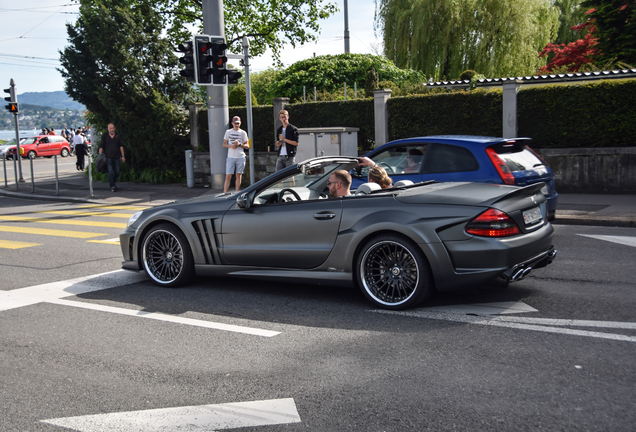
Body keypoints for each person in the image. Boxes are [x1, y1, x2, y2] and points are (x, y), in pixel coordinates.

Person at [222, 116, 249, 193]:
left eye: (238, 123)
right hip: (231, 157)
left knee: (238, 175)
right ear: (232, 123)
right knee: (228, 176)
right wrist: (231, 146)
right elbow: (224, 144)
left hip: (240, 156)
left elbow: (247, 146)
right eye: (235, 123)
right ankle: (224, 193)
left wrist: (239, 144)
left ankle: (237, 192)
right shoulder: (228, 132)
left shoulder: (243, 132)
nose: (236, 125)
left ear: (240, 123)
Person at [98, 123, 125, 192]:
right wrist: (100, 155)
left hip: (116, 156)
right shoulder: (105, 136)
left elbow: (120, 146)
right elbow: (101, 145)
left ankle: (113, 182)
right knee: (110, 171)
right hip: (108, 157)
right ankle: (112, 186)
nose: (112, 129)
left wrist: (123, 155)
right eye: (110, 128)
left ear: (115, 128)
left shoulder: (117, 135)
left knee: (117, 171)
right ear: (108, 129)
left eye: (113, 128)